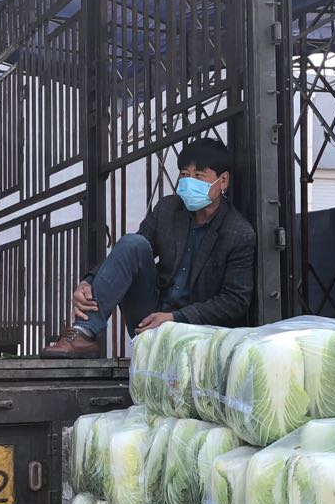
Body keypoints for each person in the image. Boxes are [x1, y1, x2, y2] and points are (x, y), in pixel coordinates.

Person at [41, 138, 256, 357]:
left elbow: (234, 302)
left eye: (199, 175)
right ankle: (84, 333)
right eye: (184, 174)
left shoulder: (238, 233)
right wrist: (89, 281)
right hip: (149, 317)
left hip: (194, 331)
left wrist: (175, 318)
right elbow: (132, 251)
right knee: (133, 242)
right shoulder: (169, 209)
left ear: (223, 181)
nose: (190, 181)